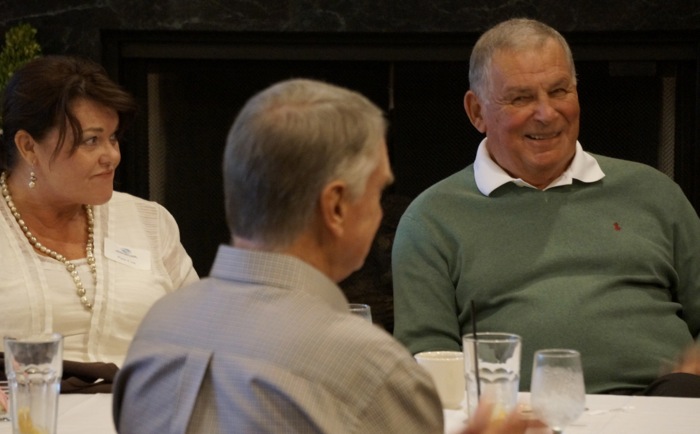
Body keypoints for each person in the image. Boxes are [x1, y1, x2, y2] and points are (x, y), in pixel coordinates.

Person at [112, 78, 538, 434]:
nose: (380, 211)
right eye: (377, 192)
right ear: (335, 207)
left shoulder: (157, 327)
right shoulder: (372, 368)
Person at [392, 18, 700, 396]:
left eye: (559, 91)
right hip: (519, 416)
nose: (547, 113)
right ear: (477, 112)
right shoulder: (432, 219)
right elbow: (430, 364)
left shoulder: (653, 191)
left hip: (668, 403)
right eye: (521, 98)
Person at [0, 55, 198, 368]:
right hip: (25, 416)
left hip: (140, 412)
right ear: (28, 147)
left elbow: (200, 336)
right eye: (91, 140)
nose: (112, 156)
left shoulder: (149, 222)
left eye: (113, 137)